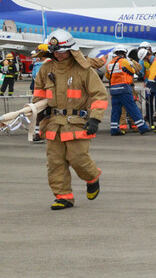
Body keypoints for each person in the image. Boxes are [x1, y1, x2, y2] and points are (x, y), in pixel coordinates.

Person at [32, 29, 109, 210]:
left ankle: (92, 177)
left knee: (78, 159)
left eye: (62, 51)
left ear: (71, 50)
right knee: (55, 163)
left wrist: (95, 119)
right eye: (55, 52)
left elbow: (99, 95)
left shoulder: (84, 69)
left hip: (76, 123)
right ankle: (63, 196)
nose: (58, 55)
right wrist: (38, 113)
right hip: (53, 123)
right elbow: (39, 93)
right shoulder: (45, 68)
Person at [104, 46, 151, 135]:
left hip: (114, 90)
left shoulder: (110, 63)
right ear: (124, 53)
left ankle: (114, 129)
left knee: (116, 110)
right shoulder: (124, 62)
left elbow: (107, 76)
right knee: (132, 108)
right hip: (124, 89)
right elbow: (133, 71)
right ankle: (142, 127)